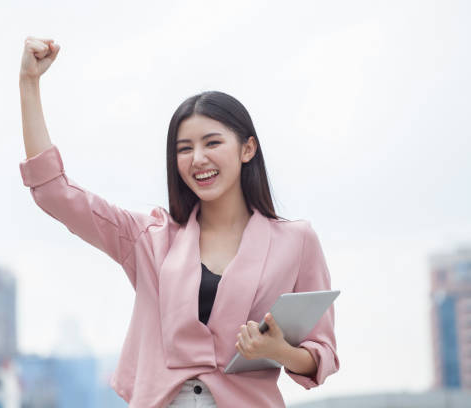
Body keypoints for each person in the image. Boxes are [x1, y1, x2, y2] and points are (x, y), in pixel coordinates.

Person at [18, 36, 340, 408]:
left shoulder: (296, 241)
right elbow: (56, 193)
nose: (197, 158)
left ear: (247, 149)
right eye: (184, 148)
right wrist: (29, 84)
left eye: (212, 143)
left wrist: (278, 350)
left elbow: (322, 352)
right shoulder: (150, 239)